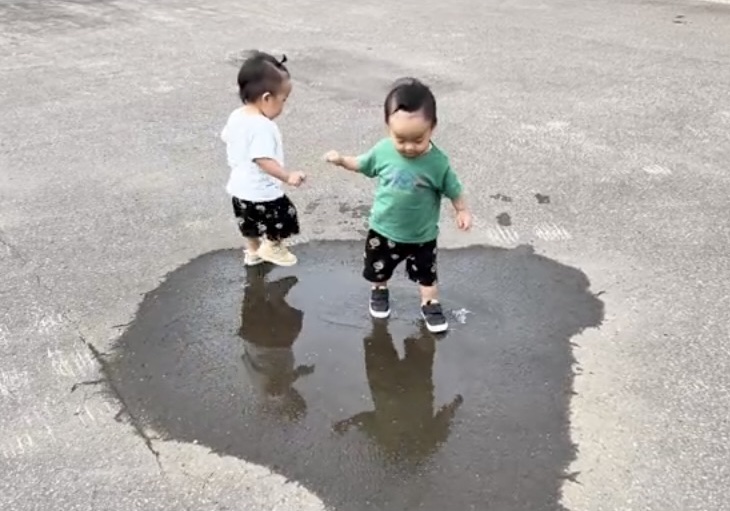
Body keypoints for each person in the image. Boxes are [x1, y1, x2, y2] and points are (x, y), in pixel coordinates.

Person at [324, 77, 472, 333]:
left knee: (427, 275)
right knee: (378, 269)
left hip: (422, 235)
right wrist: (341, 160)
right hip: (384, 229)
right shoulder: (383, 151)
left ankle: (430, 304)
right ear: (388, 128)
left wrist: (462, 210)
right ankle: (379, 291)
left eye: (418, 139)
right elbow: (361, 164)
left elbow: (454, 189)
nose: (409, 147)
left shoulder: (438, 163)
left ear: (432, 128)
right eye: (400, 139)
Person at [332, 321, 463, 465]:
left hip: (390, 386)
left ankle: (419, 323)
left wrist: (349, 422)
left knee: (384, 340)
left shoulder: (389, 440)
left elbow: (366, 421)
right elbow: (443, 423)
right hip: (398, 386)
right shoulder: (420, 444)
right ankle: (423, 321)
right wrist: (453, 406)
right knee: (387, 340)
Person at [221, 50, 306, 267]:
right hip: (262, 191)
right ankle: (273, 246)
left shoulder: (237, 115)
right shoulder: (263, 126)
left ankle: (253, 253)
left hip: (239, 188)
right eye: (283, 100)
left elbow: (226, 136)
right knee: (285, 216)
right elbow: (263, 159)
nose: (283, 107)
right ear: (267, 98)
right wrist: (287, 176)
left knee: (249, 225)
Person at [239, 265, 314, 422]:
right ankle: (254, 274)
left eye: (298, 399)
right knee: (255, 304)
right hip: (253, 341)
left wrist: (285, 388)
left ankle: (274, 296)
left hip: (271, 344)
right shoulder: (273, 392)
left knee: (291, 323)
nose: (298, 394)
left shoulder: (275, 396)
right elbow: (281, 381)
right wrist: (298, 373)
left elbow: (275, 389)